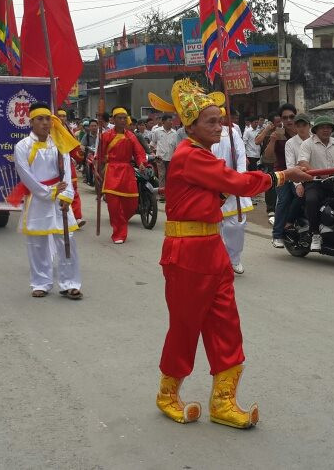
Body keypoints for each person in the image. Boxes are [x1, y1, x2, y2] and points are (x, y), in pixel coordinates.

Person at [147, 79, 311, 428]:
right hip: (186, 254)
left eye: (220, 120)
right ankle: (167, 393)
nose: (219, 126)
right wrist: (283, 175)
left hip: (211, 249)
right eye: (211, 121)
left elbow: (219, 191)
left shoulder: (202, 155)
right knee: (185, 327)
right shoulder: (190, 155)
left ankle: (223, 402)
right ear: (190, 126)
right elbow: (237, 183)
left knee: (226, 324)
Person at [13, 103, 82, 298]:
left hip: (60, 198)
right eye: (40, 119)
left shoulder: (60, 144)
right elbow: (25, 176)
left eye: (47, 119)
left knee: (67, 241)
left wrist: (67, 195)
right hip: (37, 199)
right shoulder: (22, 146)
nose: (45, 123)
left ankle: (70, 283)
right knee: (37, 242)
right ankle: (40, 282)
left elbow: (67, 172)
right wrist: (49, 191)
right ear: (31, 122)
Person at [297, 115, 334, 251]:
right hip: (315, 181)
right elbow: (303, 162)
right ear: (316, 130)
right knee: (312, 200)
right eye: (323, 127)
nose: (326, 130)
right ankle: (315, 234)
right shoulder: (307, 144)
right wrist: (318, 172)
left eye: (328, 127)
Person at [99, 107, 147, 244]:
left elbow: (138, 152)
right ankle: (119, 232)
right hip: (112, 170)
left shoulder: (130, 136)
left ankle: (121, 221)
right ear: (113, 120)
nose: (122, 120)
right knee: (113, 205)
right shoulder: (106, 135)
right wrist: (99, 168)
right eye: (119, 118)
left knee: (131, 203)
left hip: (127, 171)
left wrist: (142, 163)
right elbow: (100, 154)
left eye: (124, 118)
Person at [212, 120, 252, 274]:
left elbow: (241, 155)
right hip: (210, 185)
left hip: (232, 184)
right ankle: (215, 261)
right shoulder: (200, 134)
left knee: (236, 225)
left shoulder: (231, 132)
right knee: (212, 228)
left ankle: (234, 259)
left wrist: (239, 178)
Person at [255, 104, 298, 247]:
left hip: (302, 172)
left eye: (291, 117)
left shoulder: (303, 131)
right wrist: (272, 140)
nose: (289, 120)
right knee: (284, 199)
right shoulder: (277, 134)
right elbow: (267, 156)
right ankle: (277, 234)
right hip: (282, 173)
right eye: (285, 118)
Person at [151, 114, 179, 190]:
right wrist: (153, 154)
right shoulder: (157, 131)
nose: (171, 122)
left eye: (172, 120)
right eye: (169, 120)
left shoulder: (175, 133)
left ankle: (169, 192)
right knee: (161, 175)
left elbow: (176, 147)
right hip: (160, 158)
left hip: (171, 158)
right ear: (163, 121)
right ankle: (162, 193)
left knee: (169, 176)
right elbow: (152, 143)